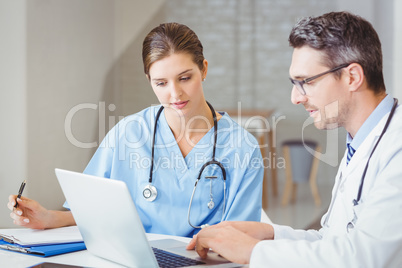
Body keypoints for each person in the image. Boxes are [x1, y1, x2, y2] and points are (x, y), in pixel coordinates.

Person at [8, 22, 264, 238]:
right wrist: (47, 218)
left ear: (204, 69)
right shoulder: (128, 133)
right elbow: (93, 210)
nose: (175, 94)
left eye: (185, 78)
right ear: (149, 81)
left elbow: (243, 236)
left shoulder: (243, 147)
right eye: (161, 82)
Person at [187, 11, 402, 266]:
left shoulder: (395, 147)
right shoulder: (361, 142)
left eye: (305, 82)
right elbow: (333, 242)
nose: (296, 98)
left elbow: (364, 259)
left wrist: (253, 252)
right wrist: (271, 235)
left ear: (352, 77)